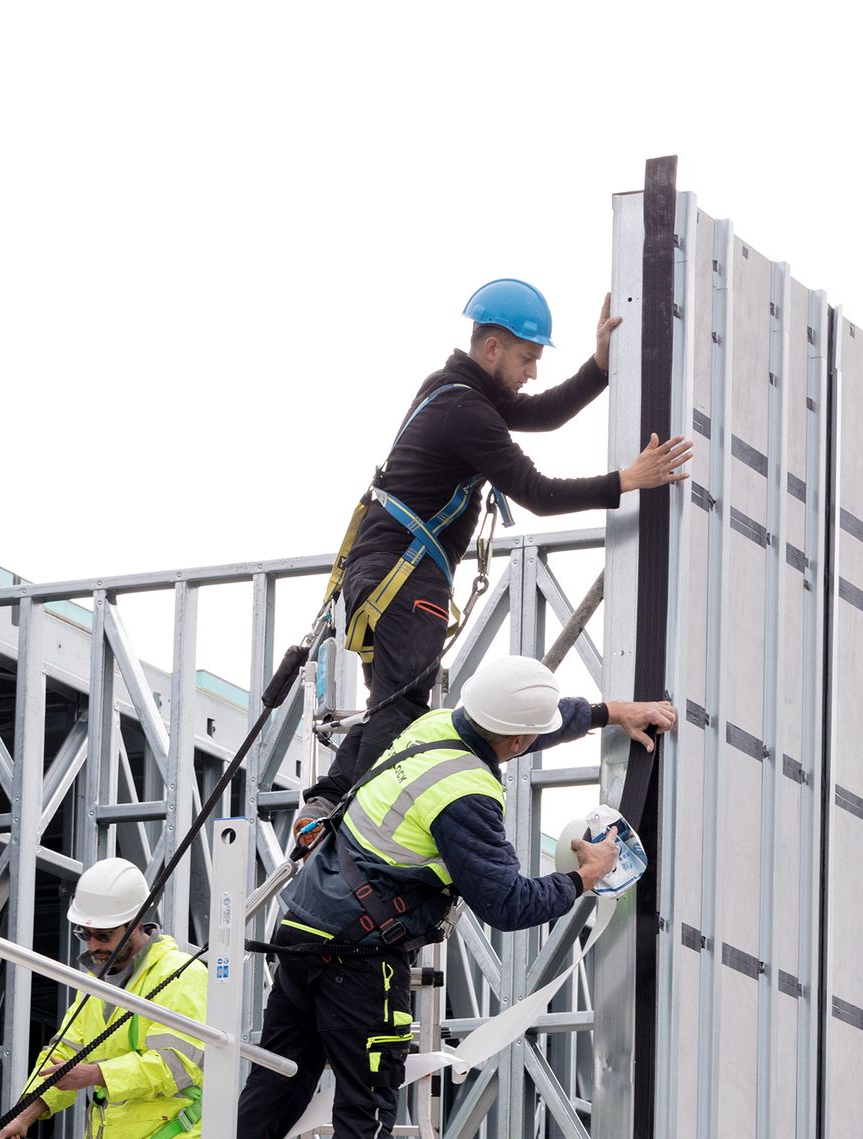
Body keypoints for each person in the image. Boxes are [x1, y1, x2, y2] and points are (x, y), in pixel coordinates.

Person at [235, 653, 677, 1139]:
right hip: (362, 956)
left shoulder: (436, 727)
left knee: (277, 1079)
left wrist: (608, 713)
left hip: (305, 923)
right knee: (368, 1097)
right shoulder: (467, 796)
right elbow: (507, 904)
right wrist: (585, 876)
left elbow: (525, 725)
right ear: (518, 738)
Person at [297, 277, 693, 838]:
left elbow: (542, 414)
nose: (533, 372)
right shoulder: (465, 411)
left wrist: (599, 369)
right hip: (405, 579)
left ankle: (329, 805)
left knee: (398, 704)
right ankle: (354, 828)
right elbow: (535, 490)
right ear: (493, 348)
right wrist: (627, 480)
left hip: (385, 571)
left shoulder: (454, 390)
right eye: (528, 357)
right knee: (401, 714)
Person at [0, 857, 209, 1139]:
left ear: (136, 924)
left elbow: (174, 1067)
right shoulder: (96, 987)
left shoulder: (181, 976)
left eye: (103, 935)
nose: (92, 946)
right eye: (85, 935)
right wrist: (22, 1117)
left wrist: (95, 1075)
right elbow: (61, 1058)